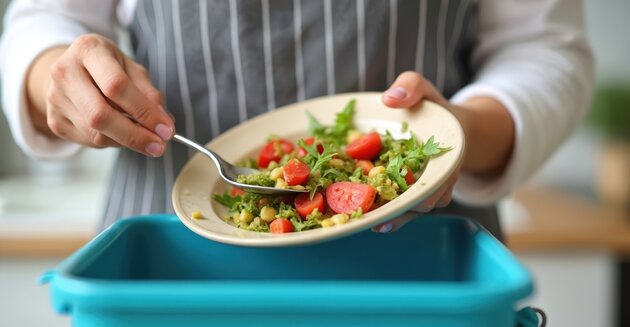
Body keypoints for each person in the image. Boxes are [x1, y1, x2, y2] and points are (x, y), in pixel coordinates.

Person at [0, 0, 594, 239]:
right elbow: (44, 22)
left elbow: (544, 49)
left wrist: (459, 129)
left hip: (420, 267)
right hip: (172, 264)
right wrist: (58, 72)